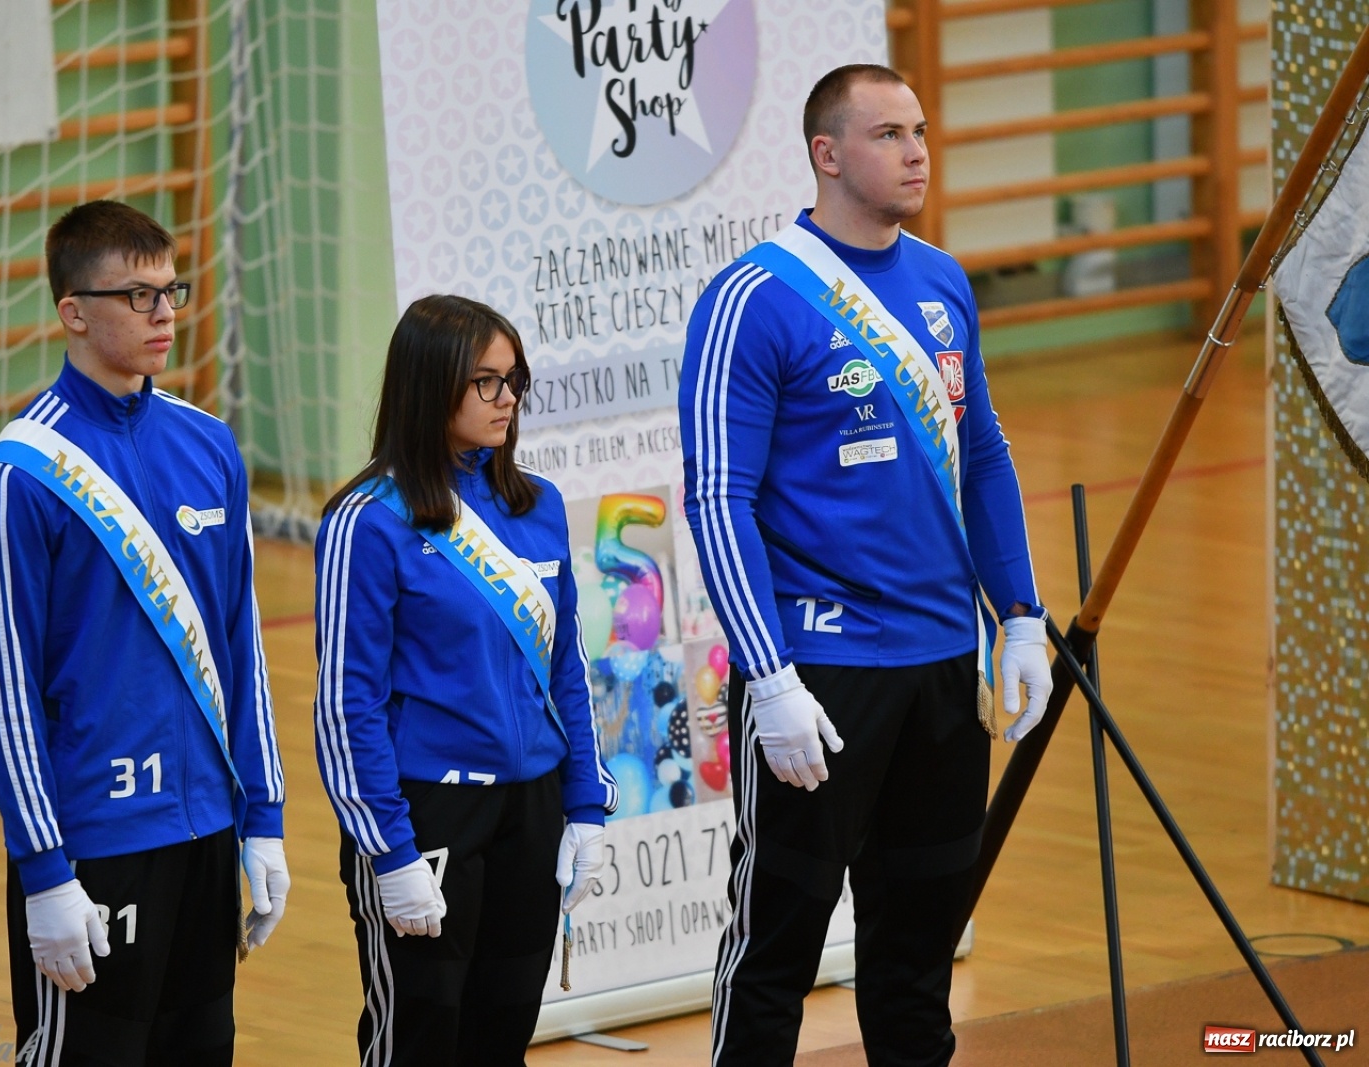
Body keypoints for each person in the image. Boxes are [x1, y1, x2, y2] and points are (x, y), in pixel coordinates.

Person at [678, 65, 1053, 1067]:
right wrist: (768, 675)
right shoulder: (753, 297)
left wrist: (1018, 611)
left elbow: (982, 455)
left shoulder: (942, 281)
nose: (917, 149)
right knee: (775, 953)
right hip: (820, 678)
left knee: (917, 957)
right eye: (888, 133)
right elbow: (718, 500)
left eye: (921, 129)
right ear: (827, 154)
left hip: (941, 669)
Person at [0, 200, 288, 1067]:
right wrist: (44, 870)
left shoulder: (211, 444)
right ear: (73, 311)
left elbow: (240, 646)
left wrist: (264, 817)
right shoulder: (16, 478)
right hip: (98, 846)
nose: (165, 315)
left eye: (171, 291)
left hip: (206, 835)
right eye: (138, 296)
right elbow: (7, 694)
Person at [314, 293, 619, 1067]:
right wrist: (389, 850)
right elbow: (349, 706)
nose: (509, 397)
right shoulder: (367, 519)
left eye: (515, 378)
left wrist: (584, 804)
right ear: (430, 383)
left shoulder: (538, 506)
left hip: (533, 807)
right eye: (487, 380)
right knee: (419, 1040)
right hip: (429, 813)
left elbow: (566, 671)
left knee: (502, 1036)